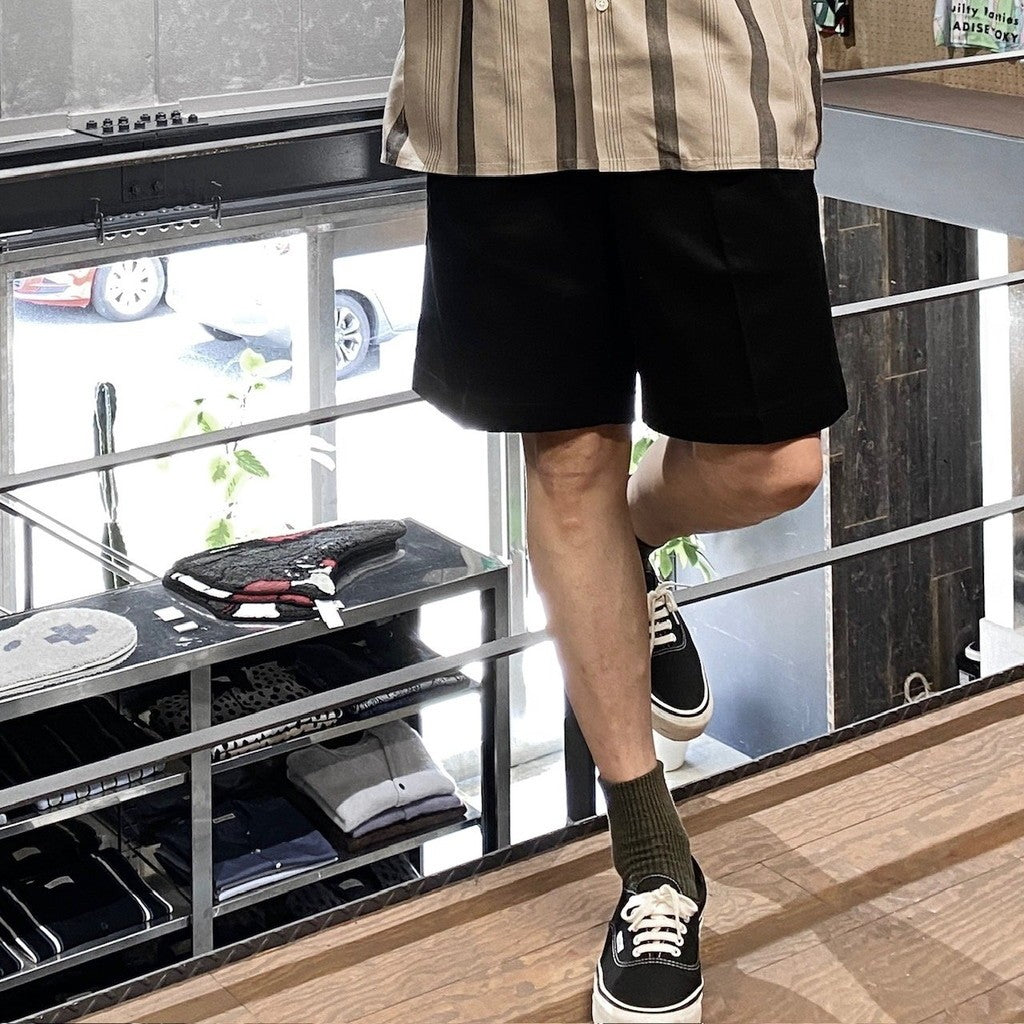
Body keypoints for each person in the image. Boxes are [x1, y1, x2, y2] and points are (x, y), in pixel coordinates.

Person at [380, 4, 849, 1021]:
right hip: (504, 90)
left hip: (713, 74)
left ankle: (630, 541)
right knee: (567, 458)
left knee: (773, 464)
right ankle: (652, 862)